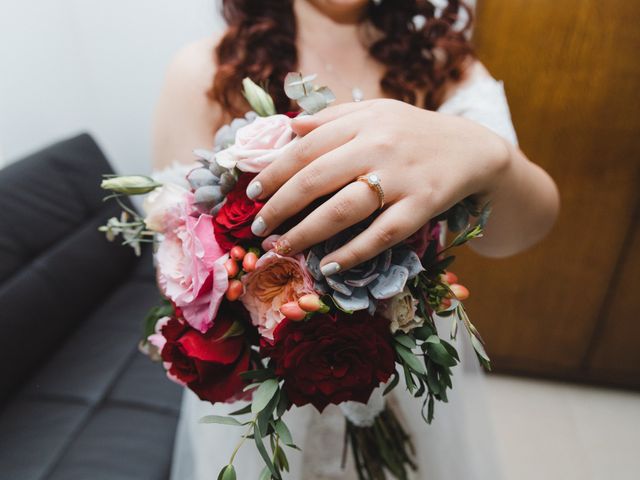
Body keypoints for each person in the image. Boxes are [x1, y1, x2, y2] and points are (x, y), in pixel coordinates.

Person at [153, 1, 560, 478]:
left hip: (402, 370)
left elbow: (519, 231)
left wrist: (491, 157)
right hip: (267, 394)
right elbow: (180, 254)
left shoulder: (440, 63)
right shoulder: (205, 69)